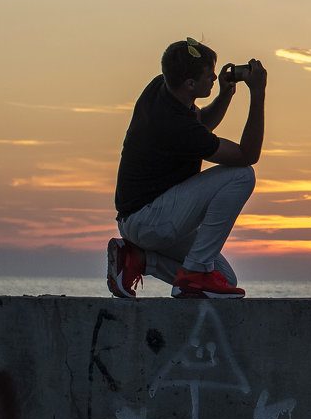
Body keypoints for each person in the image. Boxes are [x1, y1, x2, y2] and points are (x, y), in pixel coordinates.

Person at [107, 37, 267, 299]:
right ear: (190, 84)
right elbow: (247, 155)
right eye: (209, 75)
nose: (215, 77)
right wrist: (258, 93)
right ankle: (194, 275)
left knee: (225, 280)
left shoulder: (161, 87)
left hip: (143, 219)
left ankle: (138, 259)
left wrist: (225, 94)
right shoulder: (174, 125)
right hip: (152, 220)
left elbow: (199, 126)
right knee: (241, 175)